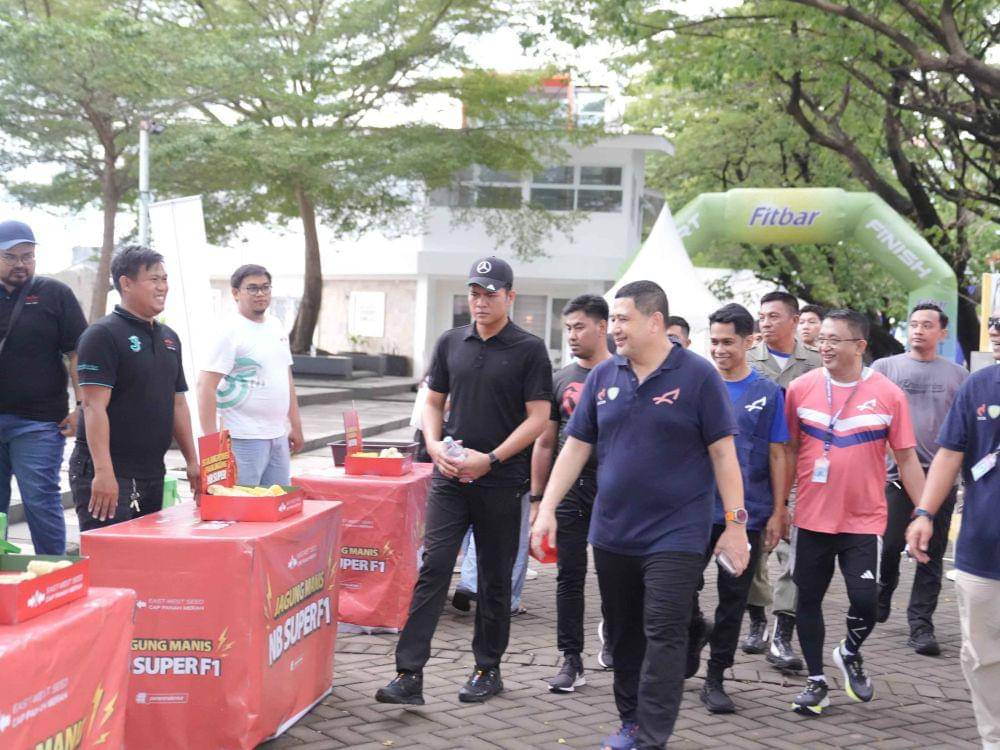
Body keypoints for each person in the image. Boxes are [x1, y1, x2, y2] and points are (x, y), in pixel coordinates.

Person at [531, 280, 749, 750]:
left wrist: (735, 525)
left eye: (624, 318)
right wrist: (546, 507)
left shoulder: (697, 376)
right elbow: (576, 445)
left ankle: (652, 736)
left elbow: (724, 455)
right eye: (613, 320)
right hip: (612, 533)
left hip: (677, 533)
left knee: (664, 630)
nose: (615, 329)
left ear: (655, 322)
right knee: (626, 636)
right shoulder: (605, 377)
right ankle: (630, 720)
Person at [375, 256, 552, 706]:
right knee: (433, 568)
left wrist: (491, 459)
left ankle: (487, 669)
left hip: (501, 480)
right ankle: (408, 673)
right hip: (450, 477)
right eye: (474, 292)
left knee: (493, 580)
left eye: (490, 293)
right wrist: (434, 445)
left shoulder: (529, 349)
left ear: (510, 296)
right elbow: (433, 401)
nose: (481, 301)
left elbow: (539, 419)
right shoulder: (451, 342)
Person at [784, 309, 924, 715]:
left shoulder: (889, 394)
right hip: (811, 517)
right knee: (806, 600)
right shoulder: (801, 388)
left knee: (866, 601)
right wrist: (780, 506)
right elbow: (787, 453)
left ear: (860, 346)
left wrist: (923, 513)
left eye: (834, 340)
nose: (823, 346)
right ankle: (815, 682)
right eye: (821, 339)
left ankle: (849, 651)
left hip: (863, 519)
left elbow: (908, 460)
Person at [688, 303, 790, 714]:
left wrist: (779, 511)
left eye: (728, 341)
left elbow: (779, 454)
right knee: (677, 591)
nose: (719, 349)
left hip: (744, 516)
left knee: (733, 598)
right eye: (713, 341)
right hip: (692, 513)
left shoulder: (767, 393)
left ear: (751, 341)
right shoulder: (696, 385)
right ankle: (694, 634)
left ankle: (716, 675)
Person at [906, 306, 1000, 749]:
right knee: (983, 657)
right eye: (995, 323)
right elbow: (949, 452)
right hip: (983, 552)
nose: (996, 331)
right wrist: (924, 513)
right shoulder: (979, 385)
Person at [71, 246, 199, 530]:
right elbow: (93, 407)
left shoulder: (169, 338)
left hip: (152, 471)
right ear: (126, 283)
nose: (163, 287)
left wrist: (193, 461)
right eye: (154, 279)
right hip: (110, 471)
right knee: (110, 562)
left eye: (164, 279)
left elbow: (178, 403)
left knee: (143, 561)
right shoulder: (102, 335)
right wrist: (104, 473)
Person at [872, 302, 967, 656]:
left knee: (931, 552)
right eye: (913, 324)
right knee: (890, 544)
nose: (918, 330)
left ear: (942, 333)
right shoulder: (884, 368)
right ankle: (882, 591)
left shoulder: (958, 375)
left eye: (927, 325)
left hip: (938, 476)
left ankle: (921, 625)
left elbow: (964, 429)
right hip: (895, 473)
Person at [531, 294, 614, 692]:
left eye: (579, 326)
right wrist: (537, 499)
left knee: (618, 574)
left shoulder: (625, 373)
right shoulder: (560, 379)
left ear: (602, 327)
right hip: (571, 492)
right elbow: (546, 443)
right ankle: (571, 658)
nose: (572, 336)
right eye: (567, 329)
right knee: (570, 575)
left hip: (616, 490)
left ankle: (615, 635)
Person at [743, 290, 821, 671]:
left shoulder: (817, 364)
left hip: (803, 471)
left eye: (774, 316)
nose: (766, 322)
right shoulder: (746, 361)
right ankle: (757, 614)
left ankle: (782, 630)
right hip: (756, 470)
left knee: (795, 552)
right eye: (762, 316)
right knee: (754, 549)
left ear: (794, 320)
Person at [0, 220, 87, 554]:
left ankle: (53, 574)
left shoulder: (55, 294)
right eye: (11, 256)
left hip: (38, 423)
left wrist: (81, 407)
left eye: (28, 255)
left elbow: (78, 352)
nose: (21, 263)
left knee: (40, 499)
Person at [197, 264, 303, 486]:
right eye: (252, 288)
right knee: (242, 510)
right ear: (236, 293)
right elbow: (205, 386)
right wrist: (212, 442)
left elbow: (286, 378)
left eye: (265, 287)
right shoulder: (228, 331)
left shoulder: (276, 326)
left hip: (277, 437)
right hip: (242, 439)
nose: (261, 294)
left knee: (276, 508)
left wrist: (295, 425)